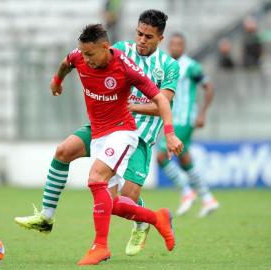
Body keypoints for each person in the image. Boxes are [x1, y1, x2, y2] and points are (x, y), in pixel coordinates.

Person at [15, 9, 180, 257]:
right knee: (64, 151)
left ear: (160, 39)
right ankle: (47, 217)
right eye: (139, 34)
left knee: (126, 198)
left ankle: (143, 221)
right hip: (103, 127)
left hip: (138, 134)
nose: (142, 40)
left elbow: (162, 103)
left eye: (148, 36)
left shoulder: (168, 66)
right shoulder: (118, 49)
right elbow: (80, 59)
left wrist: (140, 112)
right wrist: (57, 80)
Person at [157, 32, 219, 218]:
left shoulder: (191, 66)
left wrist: (202, 113)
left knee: (161, 157)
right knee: (185, 161)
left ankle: (186, 191)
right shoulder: (165, 64)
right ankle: (208, 198)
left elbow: (208, 87)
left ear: (183, 47)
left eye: (179, 44)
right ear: (169, 45)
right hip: (172, 119)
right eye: (173, 44)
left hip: (184, 120)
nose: (176, 47)